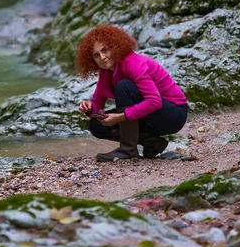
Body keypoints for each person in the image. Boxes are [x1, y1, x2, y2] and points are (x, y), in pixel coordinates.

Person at [76, 25, 188, 162]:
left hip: (173, 115)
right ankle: (151, 142)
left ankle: (128, 150)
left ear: (114, 47)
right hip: (149, 116)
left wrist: (120, 117)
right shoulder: (106, 71)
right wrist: (89, 107)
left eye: (105, 50)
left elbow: (154, 101)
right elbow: (98, 102)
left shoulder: (133, 63)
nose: (103, 57)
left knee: (124, 86)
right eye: (96, 55)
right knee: (96, 125)